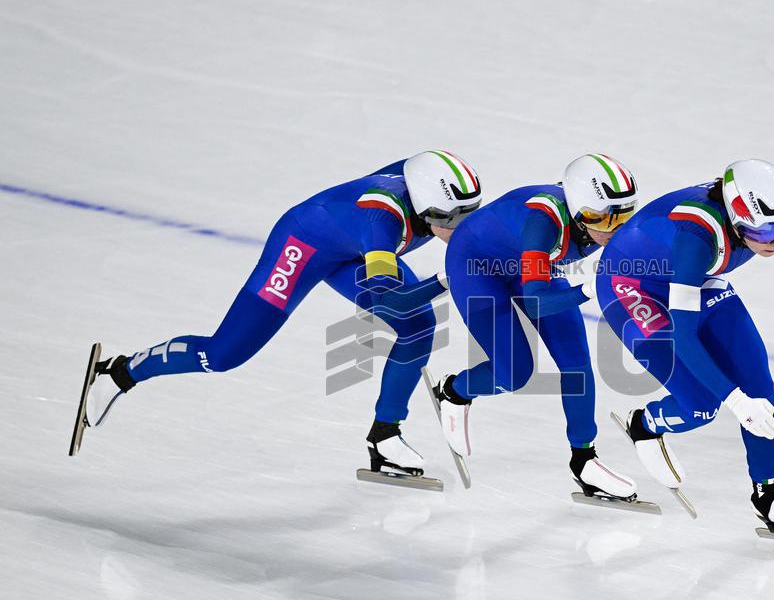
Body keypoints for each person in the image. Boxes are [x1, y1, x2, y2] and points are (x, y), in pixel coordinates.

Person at [82, 151, 482, 478]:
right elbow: (389, 303)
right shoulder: (384, 225)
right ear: (428, 209)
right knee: (223, 355)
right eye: (455, 219)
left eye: (471, 213)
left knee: (418, 327)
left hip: (351, 246)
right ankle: (118, 372)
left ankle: (385, 435)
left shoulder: (422, 188)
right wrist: (444, 281)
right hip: (303, 245)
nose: (465, 226)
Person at [596, 159, 774, 536]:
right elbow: (684, 337)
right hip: (633, 285)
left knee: (758, 384)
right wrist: (736, 403)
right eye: (765, 230)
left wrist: (747, 398)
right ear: (737, 222)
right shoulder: (698, 239)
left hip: (695, 277)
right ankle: (645, 424)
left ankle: (767, 496)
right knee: (702, 406)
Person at [430, 154, 640, 500]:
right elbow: (537, 302)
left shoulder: (595, 220)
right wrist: (588, 289)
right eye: (598, 219)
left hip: (531, 264)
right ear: (577, 210)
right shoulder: (544, 224)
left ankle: (584, 460)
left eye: (623, 217)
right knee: (513, 374)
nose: (611, 230)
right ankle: (454, 391)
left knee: (577, 365)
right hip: (477, 268)